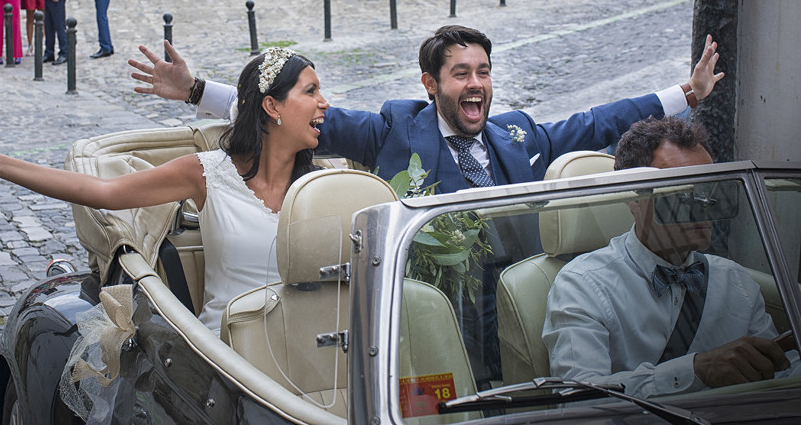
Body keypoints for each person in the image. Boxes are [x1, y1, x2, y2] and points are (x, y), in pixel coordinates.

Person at [0, 47, 328, 334]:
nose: (324, 104)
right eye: (311, 92)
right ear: (272, 107)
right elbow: (102, 192)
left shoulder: (324, 187)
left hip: (310, 355)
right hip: (228, 357)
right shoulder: (208, 173)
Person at [135, 25, 724, 193]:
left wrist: (688, 93)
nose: (476, 85)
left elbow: (599, 121)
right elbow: (290, 113)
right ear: (430, 84)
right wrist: (195, 90)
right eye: (461, 73)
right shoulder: (393, 129)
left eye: (483, 72)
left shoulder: (521, 134)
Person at [543, 117, 796, 398]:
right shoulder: (582, 286)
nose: (703, 205)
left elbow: (784, 372)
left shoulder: (736, 281)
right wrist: (696, 371)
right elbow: (578, 400)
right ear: (634, 197)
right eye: (680, 191)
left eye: (709, 189)